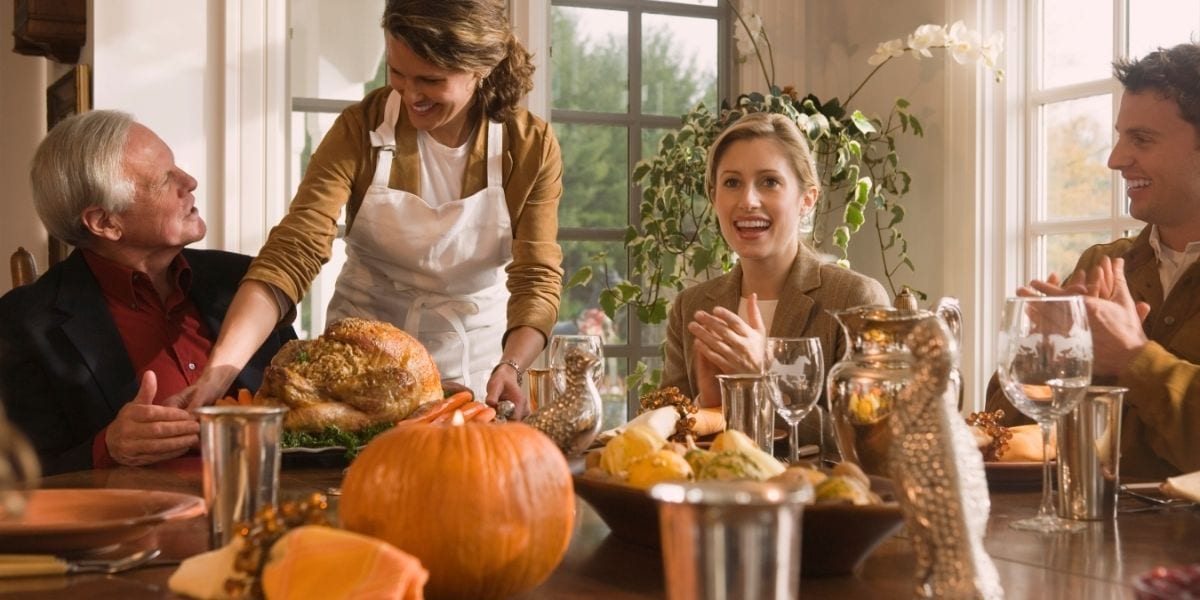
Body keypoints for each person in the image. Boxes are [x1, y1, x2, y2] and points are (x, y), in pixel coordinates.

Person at [176, 0, 563, 416]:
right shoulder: (360, 129)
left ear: (479, 69)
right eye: (397, 72)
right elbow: (295, 249)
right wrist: (220, 371)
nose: (410, 95)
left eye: (430, 80)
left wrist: (513, 366)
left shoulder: (528, 147)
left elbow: (536, 277)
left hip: (473, 376)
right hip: (357, 380)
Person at [0, 110, 296, 475]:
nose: (190, 181)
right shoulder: (26, 323)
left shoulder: (245, 280)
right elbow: (18, 480)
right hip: (133, 527)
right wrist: (108, 447)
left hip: (274, 515)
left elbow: (303, 411)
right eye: (163, 180)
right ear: (105, 223)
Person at [986, 42, 1200, 479]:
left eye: (1141, 139)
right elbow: (1003, 431)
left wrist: (1134, 358)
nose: (1115, 159)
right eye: (1120, 137)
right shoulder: (1103, 262)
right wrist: (1042, 357)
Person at [662, 112, 890, 408]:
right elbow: (663, 430)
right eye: (732, 183)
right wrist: (707, 405)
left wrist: (765, 378)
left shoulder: (856, 299)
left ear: (807, 199)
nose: (748, 201)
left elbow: (870, 436)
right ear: (714, 197)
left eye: (769, 182)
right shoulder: (690, 308)